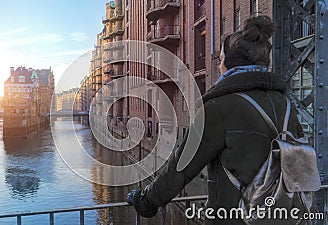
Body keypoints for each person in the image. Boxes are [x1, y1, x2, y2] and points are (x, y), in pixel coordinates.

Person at [126, 15, 304, 224]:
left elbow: (181, 166)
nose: (219, 66)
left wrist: (146, 201)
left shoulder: (219, 107)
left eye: (221, 60)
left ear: (230, 63)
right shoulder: (286, 104)